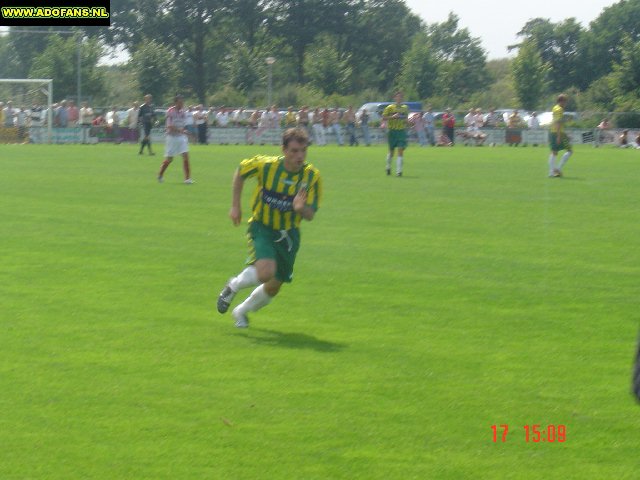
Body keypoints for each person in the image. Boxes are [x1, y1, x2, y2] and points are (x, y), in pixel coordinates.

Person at [216, 127, 322, 328]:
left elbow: (310, 214)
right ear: (283, 150)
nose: (299, 156)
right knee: (265, 272)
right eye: (294, 151)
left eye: (303, 151)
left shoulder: (312, 177)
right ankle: (233, 285)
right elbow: (240, 171)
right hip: (262, 226)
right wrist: (235, 205)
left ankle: (241, 311)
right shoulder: (266, 166)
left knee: (274, 286)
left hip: (289, 234)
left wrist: (301, 208)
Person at [157, 94, 194, 184]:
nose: (181, 104)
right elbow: (169, 126)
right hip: (172, 137)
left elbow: (182, 125)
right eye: (180, 102)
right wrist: (181, 130)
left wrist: (185, 132)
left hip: (181, 137)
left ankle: (187, 179)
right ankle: (160, 175)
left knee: (185, 156)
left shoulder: (183, 112)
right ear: (175, 102)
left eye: (182, 102)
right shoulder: (170, 111)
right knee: (169, 159)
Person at [382, 91, 409, 176]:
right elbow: (383, 117)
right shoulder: (390, 107)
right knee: (391, 152)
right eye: (397, 97)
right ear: (394, 98)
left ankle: (399, 171)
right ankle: (388, 167)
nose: (399, 98)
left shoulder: (405, 108)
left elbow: (405, 119)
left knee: (400, 150)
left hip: (401, 131)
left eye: (401, 97)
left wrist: (409, 123)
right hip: (392, 131)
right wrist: (392, 117)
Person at [548, 94, 573, 178]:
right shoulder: (559, 109)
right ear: (561, 101)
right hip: (558, 133)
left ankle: (552, 172)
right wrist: (559, 136)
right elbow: (558, 122)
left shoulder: (555, 108)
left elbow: (558, 122)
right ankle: (557, 169)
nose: (565, 104)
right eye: (565, 102)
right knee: (569, 151)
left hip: (553, 132)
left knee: (554, 152)